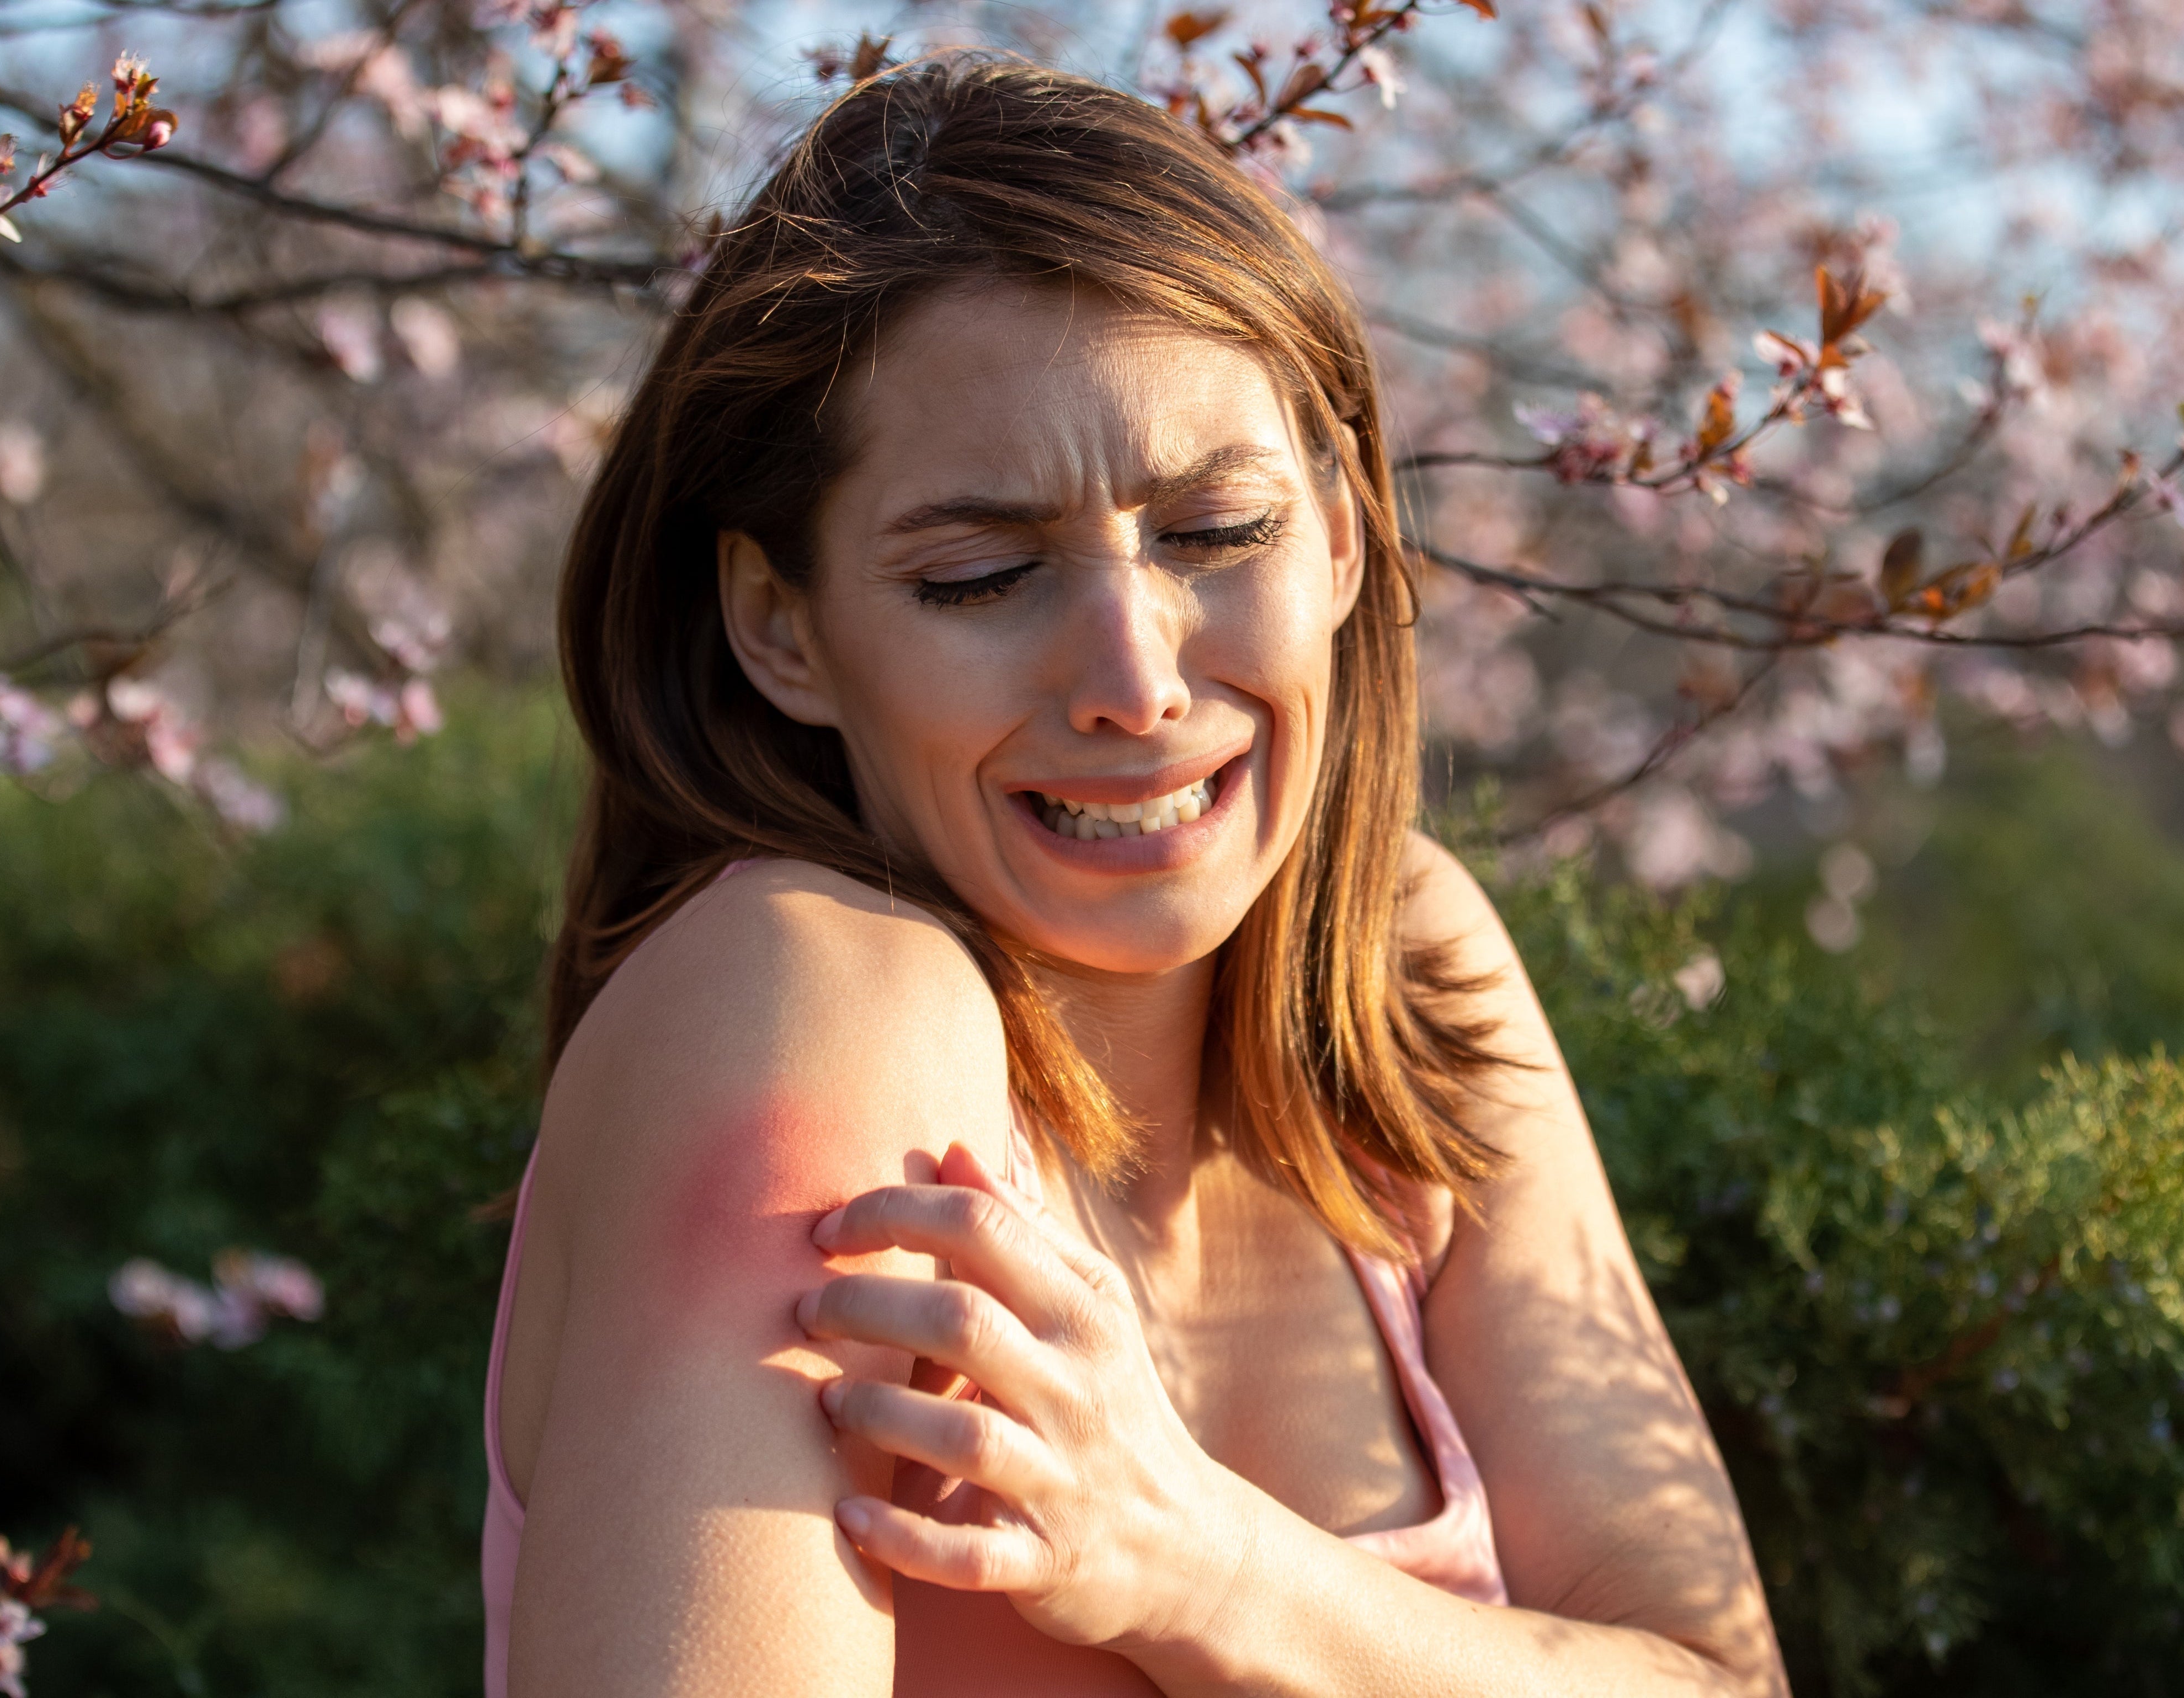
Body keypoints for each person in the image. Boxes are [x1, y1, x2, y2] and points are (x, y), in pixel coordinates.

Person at [486, 54, 1787, 1696]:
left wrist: (1201, 1564)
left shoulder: (1405, 963)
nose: (1134, 677)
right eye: (981, 575)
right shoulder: (808, 1003)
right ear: (780, 626)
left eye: (1215, 533)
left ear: (1341, 531)